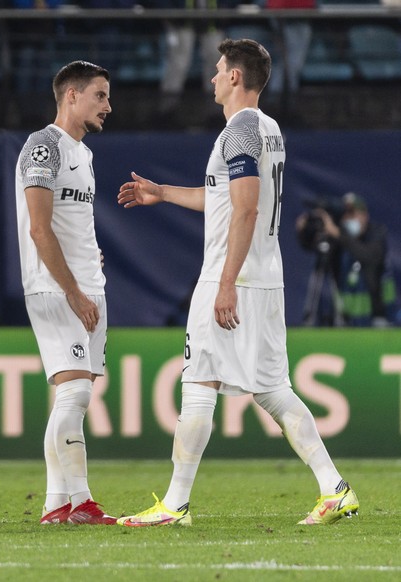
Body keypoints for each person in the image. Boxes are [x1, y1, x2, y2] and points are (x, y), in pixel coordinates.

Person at [116, 39, 358, 526]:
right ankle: (334, 488)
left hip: (235, 275)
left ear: (234, 78)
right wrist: (162, 192)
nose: (211, 78)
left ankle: (175, 504)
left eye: (218, 69)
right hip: (266, 277)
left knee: (199, 380)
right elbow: (226, 200)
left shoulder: (240, 129)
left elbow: (245, 208)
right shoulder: (267, 129)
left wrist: (226, 282)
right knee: (272, 388)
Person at [15, 60, 116, 525]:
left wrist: (90, 265)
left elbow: (72, 224)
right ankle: (82, 500)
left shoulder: (84, 154)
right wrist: (74, 291)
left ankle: (57, 502)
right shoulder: (43, 147)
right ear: (71, 94)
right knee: (74, 392)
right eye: (100, 96)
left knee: (74, 397)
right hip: (57, 291)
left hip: (86, 287)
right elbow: (39, 229)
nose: (108, 107)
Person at [297, 192, 393, 327]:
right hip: (346, 323)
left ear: (365, 215)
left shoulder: (376, 234)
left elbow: (368, 256)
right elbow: (312, 247)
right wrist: (304, 232)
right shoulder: (339, 237)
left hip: (378, 321)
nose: (349, 218)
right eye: (346, 215)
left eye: (353, 214)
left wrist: (336, 232)